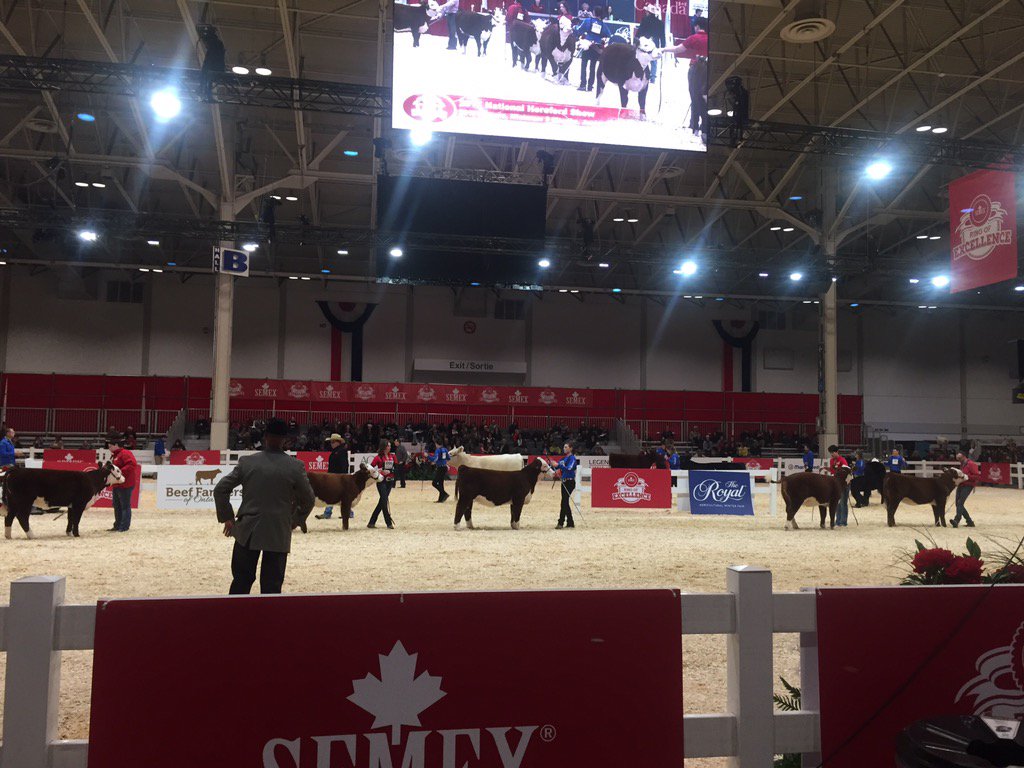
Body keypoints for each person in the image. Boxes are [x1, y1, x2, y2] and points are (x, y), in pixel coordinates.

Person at [214, 418, 315, 594]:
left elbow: (221, 489)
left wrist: (227, 518)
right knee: (272, 586)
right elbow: (309, 499)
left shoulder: (247, 462)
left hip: (247, 530)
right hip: (278, 530)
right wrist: (295, 520)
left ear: (265, 437)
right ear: (285, 439)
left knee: (241, 582)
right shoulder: (295, 466)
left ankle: (234, 618)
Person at [661, 17, 708, 139]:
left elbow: (677, 49)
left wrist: (664, 49)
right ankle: (705, 128)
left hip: (696, 69)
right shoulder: (709, 39)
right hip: (708, 70)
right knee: (705, 98)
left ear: (697, 26)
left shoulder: (694, 38)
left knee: (695, 97)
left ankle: (694, 127)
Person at [316, 434, 351, 520]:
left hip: (338, 478)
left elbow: (344, 466)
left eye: (333, 442)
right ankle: (348, 512)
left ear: (338, 442)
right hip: (334, 477)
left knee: (332, 495)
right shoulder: (338, 451)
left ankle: (328, 513)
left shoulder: (341, 451)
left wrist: (343, 477)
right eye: (331, 442)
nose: (331, 443)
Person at [575, 6, 608, 91]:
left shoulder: (587, 21)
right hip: (596, 47)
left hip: (587, 45)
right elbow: (608, 35)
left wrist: (574, 28)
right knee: (592, 67)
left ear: (593, 12)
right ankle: (590, 86)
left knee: (584, 65)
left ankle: (583, 85)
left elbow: (579, 30)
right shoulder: (602, 24)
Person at [109, 441, 139, 533]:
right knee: (117, 505)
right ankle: (117, 525)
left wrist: (119, 472)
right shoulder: (115, 455)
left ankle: (124, 526)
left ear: (116, 445)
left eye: (110, 446)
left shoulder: (125, 453)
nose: (109, 448)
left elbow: (132, 464)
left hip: (125, 483)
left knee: (124, 506)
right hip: (117, 483)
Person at [368, 439, 397, 528]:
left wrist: (392, 471)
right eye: (388, 446)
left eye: (390, 446)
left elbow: (397, 467)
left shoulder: (393, 456)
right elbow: (370, 468)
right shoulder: (378, 457)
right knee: (384, 501)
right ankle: (388, 522)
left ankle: (372, 522)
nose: (390, 447)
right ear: (384, 447)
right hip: (381, 481)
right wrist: (379, 470)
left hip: (390, 481)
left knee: (382, 502)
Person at [635, 4, 664, 82]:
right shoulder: (660, 23)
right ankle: (653, 77)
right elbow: (662, 36)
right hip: (655, 43)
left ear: (648, 12)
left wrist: (636, 39)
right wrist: (663, 47)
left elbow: (640, 30)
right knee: (654, 60)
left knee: (642, 59)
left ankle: (641, 75)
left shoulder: (645, 19)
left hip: (645, 43)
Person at [951, 451, 980, 528]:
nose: (959, 460)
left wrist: (965, 476)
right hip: (961, 484)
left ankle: (956, 520)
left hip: (968, 485)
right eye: (958, 459)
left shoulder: (971, 464)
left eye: (960, 458)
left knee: (960, 503)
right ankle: (969, 521)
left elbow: (977, 476)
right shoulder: (963, 464)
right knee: (958, 503)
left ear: (964, 456)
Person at [827, 445, 850, 527]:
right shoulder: (831, 461)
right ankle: (837, 521)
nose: (831, 455)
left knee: (843, 503)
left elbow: (847, 471)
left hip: (843, 484)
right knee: (836, 503)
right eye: (830, 453)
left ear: (837, 452)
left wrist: (846, 483)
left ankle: (843, 521)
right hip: (835, 484)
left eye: (832, 453)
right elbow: (832, 470)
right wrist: (825, 468)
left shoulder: (842, 460)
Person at [557, 442, 577, 528]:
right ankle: (570, 522)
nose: (564, 448)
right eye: (564, 447)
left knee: (564, 501)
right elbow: (557, 465)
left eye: (566, 447)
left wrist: (558, 465)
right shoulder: (564, 458)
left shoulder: (572, 458)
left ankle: (561, 522)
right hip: (564, 482)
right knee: (565, 501)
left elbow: (569, 468)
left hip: (569, 482)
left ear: (570, 448)